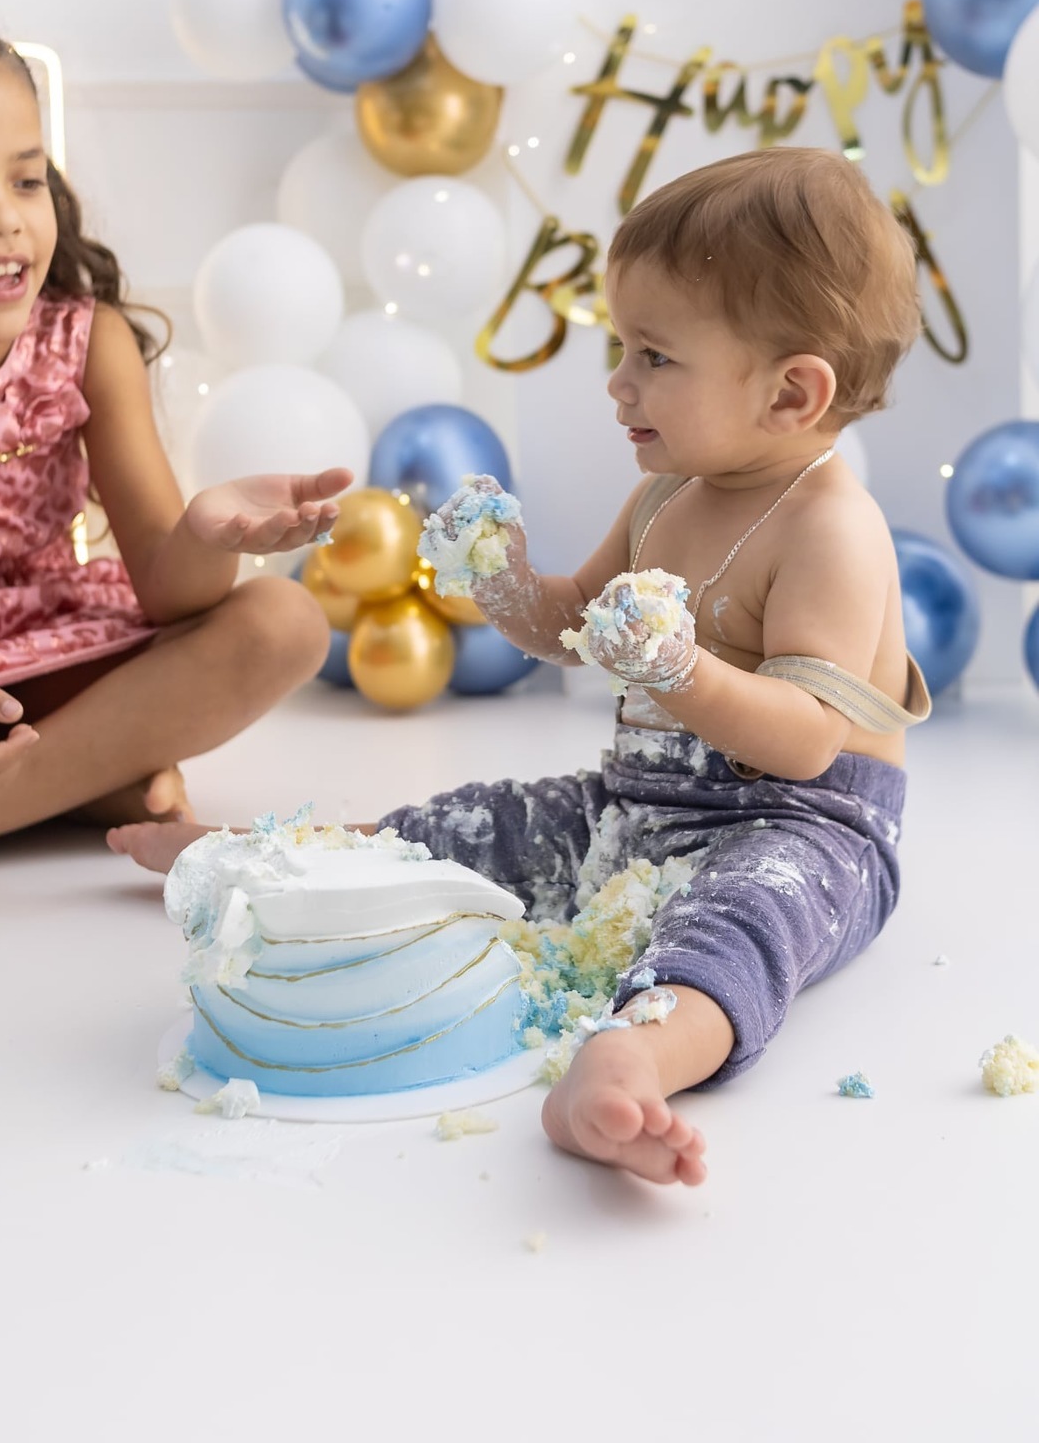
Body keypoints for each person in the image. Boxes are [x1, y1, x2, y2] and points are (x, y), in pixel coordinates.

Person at [110, 146, 929, 1188]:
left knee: (741, 922)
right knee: (491, 820)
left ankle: (637, 1055)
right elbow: (571, 626)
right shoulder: (668, 494)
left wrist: (677, 670)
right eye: (623, 347)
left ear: (791, 394)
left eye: (655, 357)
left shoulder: (830, 531)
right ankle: (283, 860)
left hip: (798, 827)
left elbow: (807, 743)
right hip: (642, 802)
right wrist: (505, 586)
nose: (618, 381)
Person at [0, 0, 345, 886]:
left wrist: (205, 533)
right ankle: (87, 775)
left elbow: (168, 598)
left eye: (26, 179)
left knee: (283, 623)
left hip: (50, 649)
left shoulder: (86, 343)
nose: (2, 219)